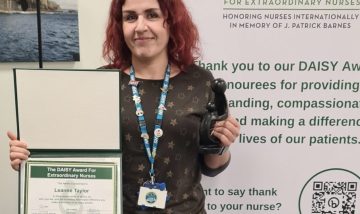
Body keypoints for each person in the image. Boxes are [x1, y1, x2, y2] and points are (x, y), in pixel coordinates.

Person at [8, 0, 240, 213]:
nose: (140, 26)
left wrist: (223, 144)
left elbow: (212, 167)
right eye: (130, 17)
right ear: (120, 26)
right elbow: (75, 157)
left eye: (152, 15)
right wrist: (33, 160)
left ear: (172, 21)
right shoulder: (100, 83)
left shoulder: (201, 82)